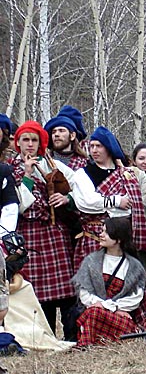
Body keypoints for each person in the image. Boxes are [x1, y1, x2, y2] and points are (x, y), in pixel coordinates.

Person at [11, 121, 78, 338]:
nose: (30, 144)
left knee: (67, 291)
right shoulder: (11, 168)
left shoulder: (52, 164)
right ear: (18, 143)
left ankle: (71, 336)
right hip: (29, 235)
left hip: (54, 232)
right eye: (25, 140)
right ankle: (46, 336)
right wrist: (27, 175)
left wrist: (67, 198)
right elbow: (20, 205)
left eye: (34, 140)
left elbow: (78, 187)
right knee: (39, 293)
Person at [72, 127, 146, 269]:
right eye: (92, 146)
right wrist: (117, 201)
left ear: (108, 148)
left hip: (123, 240)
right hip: (95, 238)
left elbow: (133, 208)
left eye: (99, 146)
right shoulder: (83, 174)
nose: (94, 150)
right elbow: (86, 202)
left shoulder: (127, 174)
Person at [72, 217, 146, 346]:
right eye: (102, 231)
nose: (101, 235)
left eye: (106, 232)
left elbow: (136, 297)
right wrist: (104, 306)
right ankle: (89, 343)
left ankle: (90, 342)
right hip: (94, 311)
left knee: (94, 313)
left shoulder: (134, 266)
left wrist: (112, 308)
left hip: (119, 316)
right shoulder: (91, 261)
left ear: (118, 239)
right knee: (94, 313)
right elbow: (84, 292)